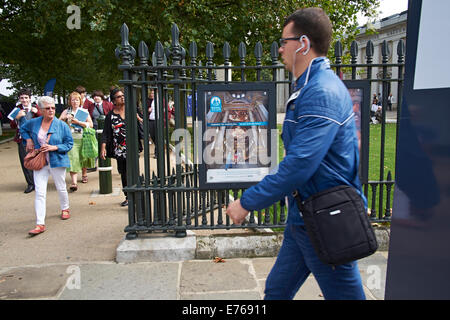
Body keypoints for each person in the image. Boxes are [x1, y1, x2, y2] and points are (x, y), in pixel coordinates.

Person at [226, 8, 366, 300]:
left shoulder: (320, 92)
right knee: (276, 291)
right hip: (304, 218)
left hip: (326, 220)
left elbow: (300, 164)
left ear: (303, 43)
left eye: (284, 41)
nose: (280, 48)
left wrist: (247, 202)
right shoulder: (308, 88)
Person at [20, 96, 73, 236]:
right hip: (40, 162)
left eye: (53, 108)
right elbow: (22, 129)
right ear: (40, 110)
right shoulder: (33, 123)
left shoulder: (61, 125)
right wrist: (28, 139)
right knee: (40, 192)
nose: (51, 111)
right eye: (47, 108)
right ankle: (39, 223)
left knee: (61, 187)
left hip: (57, 161)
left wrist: (54, 147)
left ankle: (65, 208)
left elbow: (69, 144)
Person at [100, 88, 143, 207]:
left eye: (123, 95)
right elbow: (106, 133)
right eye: (119, 96)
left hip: (133, 147)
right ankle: (128, 197)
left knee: (133, 172)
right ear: (114, 100)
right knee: (124, 173)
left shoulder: (133, 110)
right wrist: (103, 147)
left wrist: (138, 119)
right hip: (119, 149)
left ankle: (137, 195)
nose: (122, 97)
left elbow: (144, 126)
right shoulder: (110, 115)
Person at [59, 92, 95, 190]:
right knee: (73, 158)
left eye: (77, 100)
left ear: (80, 101)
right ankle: (74, 182)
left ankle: (84, 174)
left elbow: (91, 124)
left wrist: (79, 122)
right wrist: (64, 118)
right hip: (70, 139)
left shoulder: (83, 111)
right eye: (73, 100)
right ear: (70, 101)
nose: (75, 102)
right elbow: (58, 122)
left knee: (83, 157)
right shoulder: (66, 111)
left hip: (82, 138)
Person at [9, 88, 41, 193]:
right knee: (25, 161)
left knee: (37, 160)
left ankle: (39, 182)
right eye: (22, 98)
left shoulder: (36, 108)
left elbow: (44, 120)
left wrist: (37, 113)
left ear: (30, 98)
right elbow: (12, 125)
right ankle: (31, 184)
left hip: (36, 138)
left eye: (26, 97)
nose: (24, 100)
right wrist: (17, 117)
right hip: (22, 138)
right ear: (19, 99)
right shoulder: (17, 109)